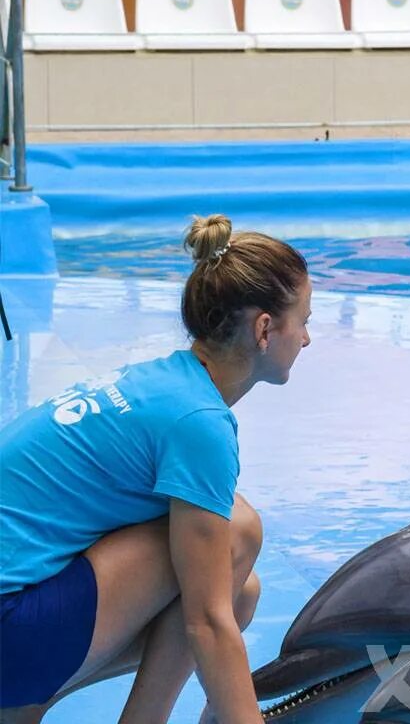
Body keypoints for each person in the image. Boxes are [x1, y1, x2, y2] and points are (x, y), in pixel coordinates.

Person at [0, 214, 311, 724]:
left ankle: (22, 703)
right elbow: (207, 624)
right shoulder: (199, 422)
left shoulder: (160, 383)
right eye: (303, 320)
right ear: (263, 329)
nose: (306, 339)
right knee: (235, 534)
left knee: (238, 590)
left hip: (17, 609)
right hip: (10, 626)